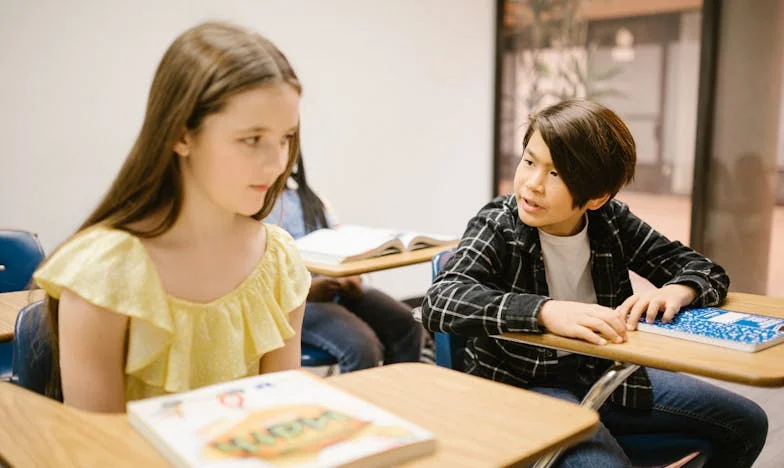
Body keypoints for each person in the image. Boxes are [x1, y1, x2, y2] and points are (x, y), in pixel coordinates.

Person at [422, 100, 767, 467]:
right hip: (524, 386)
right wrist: (545, 312)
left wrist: (679, 290)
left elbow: (704, 269)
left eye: (556, 174)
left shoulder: (610, 220)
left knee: (748, 423)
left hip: (607, 375)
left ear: (597, 196)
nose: (532, 184)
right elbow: (442, 299)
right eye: (529, 161)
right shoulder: (500, 223)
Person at [32, 21, 310, 413]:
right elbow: (99, 449)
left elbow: (279, 415)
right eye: (252, 139)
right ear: (181, 135)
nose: (278, 161)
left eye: (286, 138)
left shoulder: (278, 260)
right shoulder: (104, 271)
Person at [265, 152, 423, 372]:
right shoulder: (258, 209)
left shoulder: (313, 200)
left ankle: (395, 396)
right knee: (362, 346)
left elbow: (338, 245)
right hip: (296, 301)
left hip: (335, 288)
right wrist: (307, 290)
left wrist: (351, 276)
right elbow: (259, 276)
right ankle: (355, 404)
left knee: (408, 323)